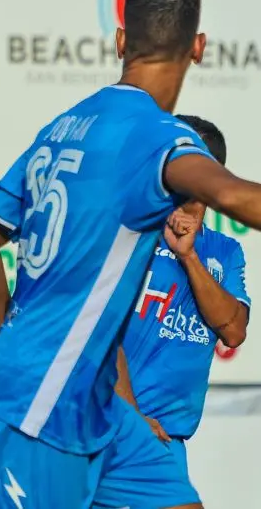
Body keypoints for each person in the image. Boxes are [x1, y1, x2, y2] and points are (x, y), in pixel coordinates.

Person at [0, 0, 261, 508]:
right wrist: (37, 359)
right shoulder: (159, 137)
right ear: (198, 47)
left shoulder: (64, 125)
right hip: (36, 404)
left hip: (94, 402)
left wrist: (20, 342)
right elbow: (236, 197)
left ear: (121, 40)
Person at [116, 114, 249, 482]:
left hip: (166, 439)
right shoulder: (130, 236)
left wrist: (188, 256)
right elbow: (99, 334)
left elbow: (234, 331)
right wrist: (130, 415)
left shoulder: (225, 251)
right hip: (113, 427)